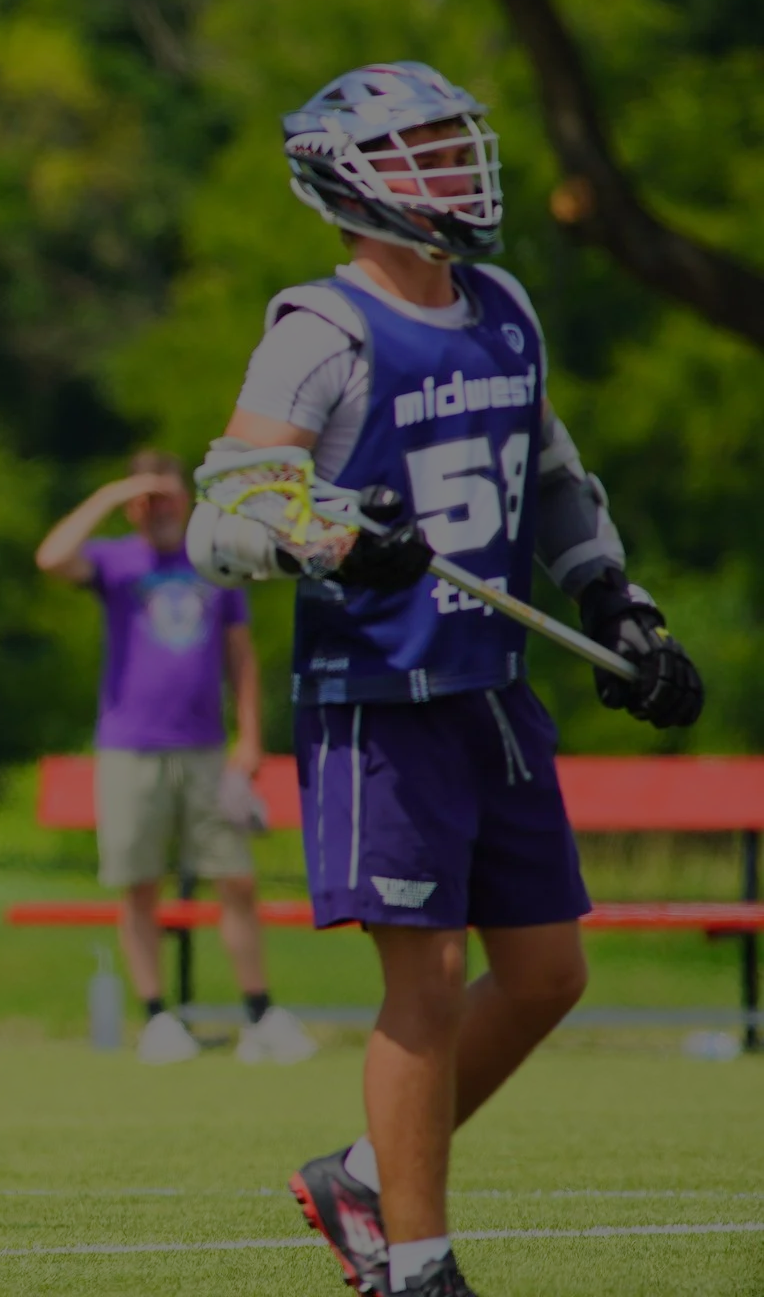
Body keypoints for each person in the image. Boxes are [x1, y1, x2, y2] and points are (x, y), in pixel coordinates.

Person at [186, 63, 704, 1296]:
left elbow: (551, 468)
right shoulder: (324, 328)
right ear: (350, 180)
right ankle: (413, 1262)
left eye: (452, 144)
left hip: (491, 689)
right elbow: (223, 515)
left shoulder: (502, 302)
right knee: (417, 981)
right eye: (421, 151)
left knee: (546, 972)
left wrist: (615, 602)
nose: (454, 169)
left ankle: (364, 1173)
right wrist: (330, 537)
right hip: (379, 700)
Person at [36, 451, 316, 1066]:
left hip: (206, 749)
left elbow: (240, 655)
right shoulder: (114, 560)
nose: (157, 508)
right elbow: (51, 557)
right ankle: (158, 1018)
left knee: (235, 879)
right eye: (146, 498)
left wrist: (249, 737)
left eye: (166, 494)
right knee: (139, 885)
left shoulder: (212, 558)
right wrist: (113, 493)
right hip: (130, 749)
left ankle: (259, 1013)